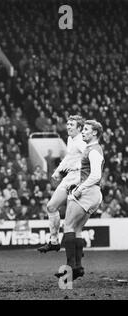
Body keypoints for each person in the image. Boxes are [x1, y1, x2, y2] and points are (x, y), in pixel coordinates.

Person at [55, 120, 104, 280]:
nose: (82, 132)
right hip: (93, 193)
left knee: (68, 226)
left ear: (95, 133)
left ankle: (70, 268)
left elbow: (96, 175)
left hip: (87, 192)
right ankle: (78, 267)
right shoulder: (92, 149)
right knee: (76, 229)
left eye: (86, 129)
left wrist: (79, 189)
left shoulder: (93, 151)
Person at [38, 116, 86, 253]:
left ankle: (76, 251)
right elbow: (69, 157)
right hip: (70, 176)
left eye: (72, 125)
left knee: (72, 222)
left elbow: (88, 158)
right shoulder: (71, 139)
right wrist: (59, 170)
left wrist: (77, 172)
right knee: (51, 207)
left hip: (79, 178)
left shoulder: (82, 141)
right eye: (68, 124)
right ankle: (54, 242)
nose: (69, 126)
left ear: (79, 128)